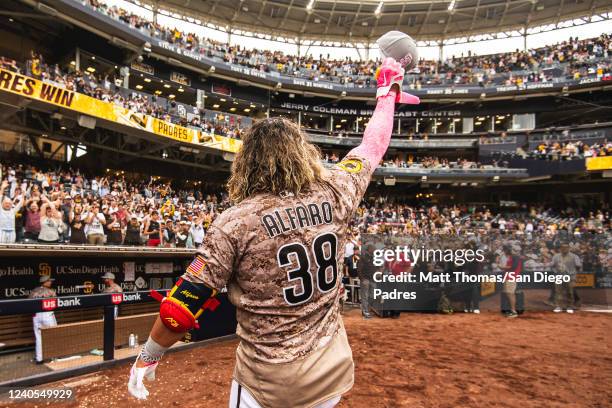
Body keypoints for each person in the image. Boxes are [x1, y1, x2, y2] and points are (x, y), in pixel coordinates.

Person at [127, 57, 418, 406]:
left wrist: (149, 354)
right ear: (302, 155)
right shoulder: (336, 190)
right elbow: (372, 146)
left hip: (267, 383)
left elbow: (182, 306)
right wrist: (387, 92)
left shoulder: (235, 222)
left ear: (246, 162)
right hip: (330, 372)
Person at [28, 275, 57, 364]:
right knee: (53, 336)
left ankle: (39, 359)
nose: (51, 282)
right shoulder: (51, 291)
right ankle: (54, 357)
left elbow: (28, 303)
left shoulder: (34, 291)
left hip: (36, 315)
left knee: (39, 337)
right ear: (45, 282)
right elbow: (56, 304)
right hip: (47, 314)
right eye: (49, 281)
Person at [551, 242, 582, 313]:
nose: (564, 249)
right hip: (559, 276)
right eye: (562, 248)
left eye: (566, 247)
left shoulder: (574, 256)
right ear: (560, 249)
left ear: (569, 248)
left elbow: (578, 266)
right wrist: (555, 271)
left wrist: (573, 273)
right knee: (558, 292)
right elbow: (552, 265)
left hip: (570, 277)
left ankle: (569, 306)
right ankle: (558, 306)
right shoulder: (556, 256)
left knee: (570, 292)